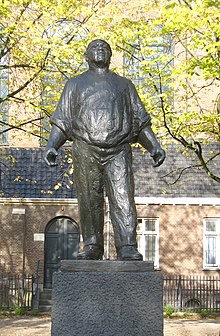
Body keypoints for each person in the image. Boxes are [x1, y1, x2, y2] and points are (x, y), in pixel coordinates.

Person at [43, 39, 165, 261]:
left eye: (104, 48)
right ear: (86, 55)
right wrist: (52, 145)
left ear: (111, 55)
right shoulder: (74, 85)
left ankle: (127, 245)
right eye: (94, 48)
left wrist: (154, 146)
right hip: (85, 148)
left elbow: (140, 120)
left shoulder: (125, 85)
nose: (99, 50)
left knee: (123, 197)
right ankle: (92, 245)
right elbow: (62, 120)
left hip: (118, 149)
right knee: (89, 199)